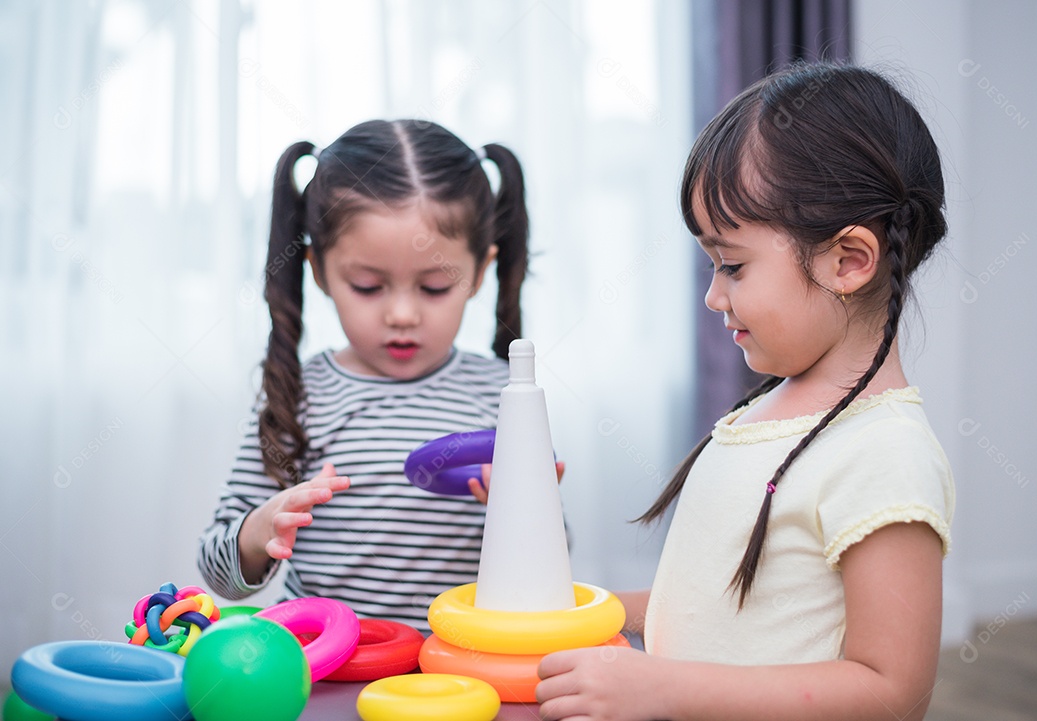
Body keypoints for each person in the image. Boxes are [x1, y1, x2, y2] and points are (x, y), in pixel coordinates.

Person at [536, 62, 955, 720]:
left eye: (732, 265)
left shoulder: (884, 451)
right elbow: (724, 607)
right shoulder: (765, 411)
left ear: (848, 260)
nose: (713, 295)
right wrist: (596, 611)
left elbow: (891, 690)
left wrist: (661, 686)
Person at [197, 119, 535, 631]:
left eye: (435, 287)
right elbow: (217, 571)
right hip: (324, 674)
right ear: (319, 271)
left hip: (458, 682)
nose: (402, 314)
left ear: (480, 271)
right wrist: (260, 529)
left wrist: (524, 506)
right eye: (368, 286)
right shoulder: (302, 395)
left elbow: (550, 564)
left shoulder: (505, 396)